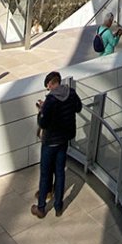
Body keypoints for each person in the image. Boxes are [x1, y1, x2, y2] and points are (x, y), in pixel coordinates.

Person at [31, 71, 82, 219]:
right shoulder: (71, 93)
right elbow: (78, 108)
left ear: (51, 84)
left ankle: (41, 208)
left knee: (45, 172)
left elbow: (43, 123)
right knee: (60, 172)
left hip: (50, 141)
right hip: (64, 140)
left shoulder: (51, 99)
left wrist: (42, 110)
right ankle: (58, 207)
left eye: (48, 87)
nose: (49, 90)